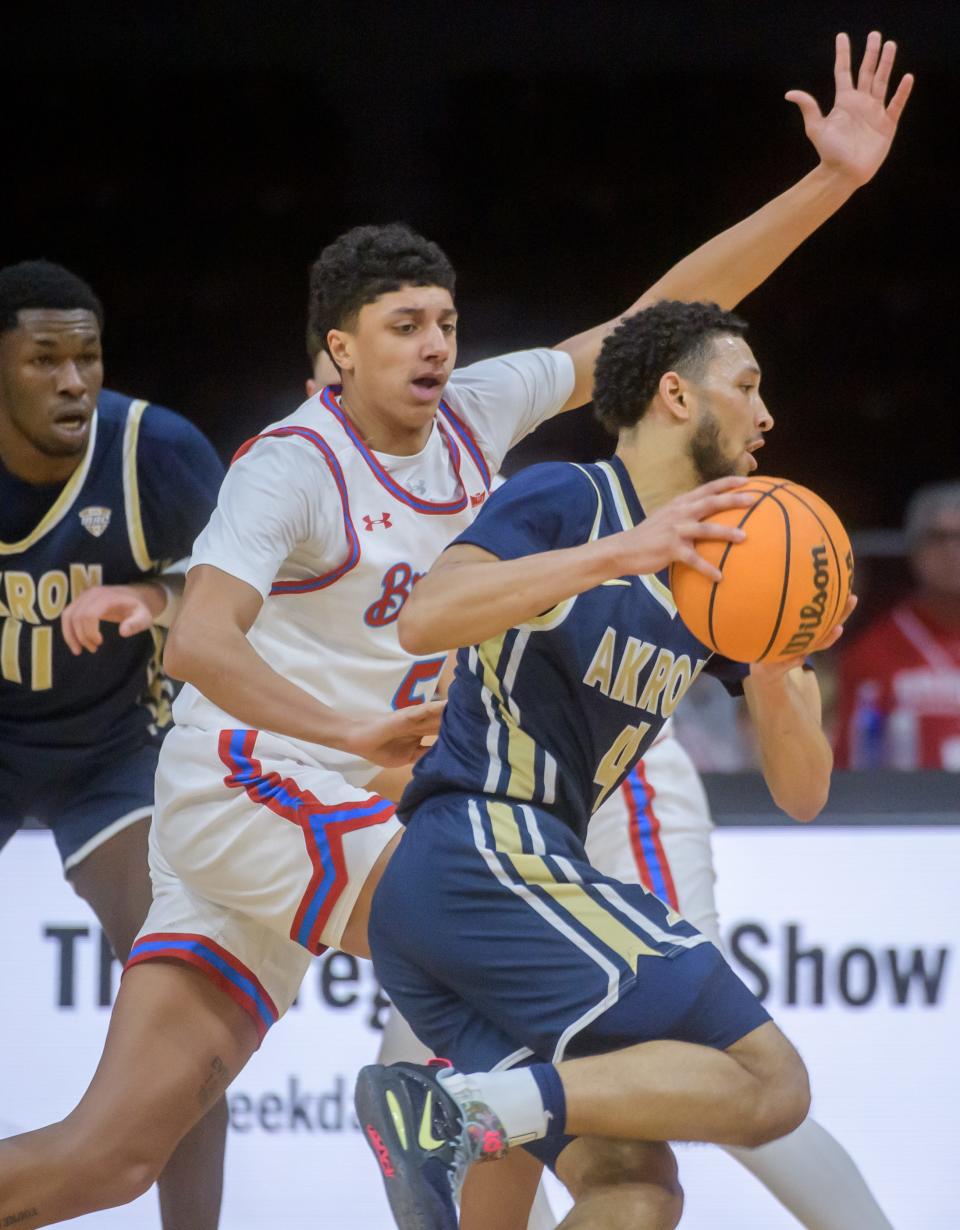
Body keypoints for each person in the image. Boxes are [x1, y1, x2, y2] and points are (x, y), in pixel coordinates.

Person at [0, 31, 912, 1228]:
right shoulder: (291, 466)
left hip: (354, 802)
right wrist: (355, 728)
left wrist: (832, 181)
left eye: (445, 320)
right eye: (404, 325)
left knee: (106, 1159)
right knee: (538, 985)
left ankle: (475, 1125)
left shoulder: (479, 411)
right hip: (258, 786)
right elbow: (199, 645)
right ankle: (493, 1129)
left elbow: (656, 331)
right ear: (339, 349)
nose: (438, 344)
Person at [355, 299, 855, 1230]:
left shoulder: (719, 574)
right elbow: (426, 617)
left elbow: (803, 792)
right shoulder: (568, 499)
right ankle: (456, 1112)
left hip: (475, 895)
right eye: (745, 387)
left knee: (635, 1186)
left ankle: (461, 1114)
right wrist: (619, 553)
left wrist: (784, 671)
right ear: (675, 395)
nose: (766, 415)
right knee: (770, 1083)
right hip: (485, 849)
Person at [0, 260, 228, 1228]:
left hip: (114, 746)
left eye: (86, 356)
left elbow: (241, 603)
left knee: (183, 970)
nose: (72, 381)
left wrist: (156, 597)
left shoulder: (155, 451)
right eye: (44, 359)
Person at [834, 480, 960, 770]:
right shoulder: (871, 652)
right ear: (915, 549)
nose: (953, 551)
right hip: (910, 811)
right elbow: (851, 767)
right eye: (938, 537)